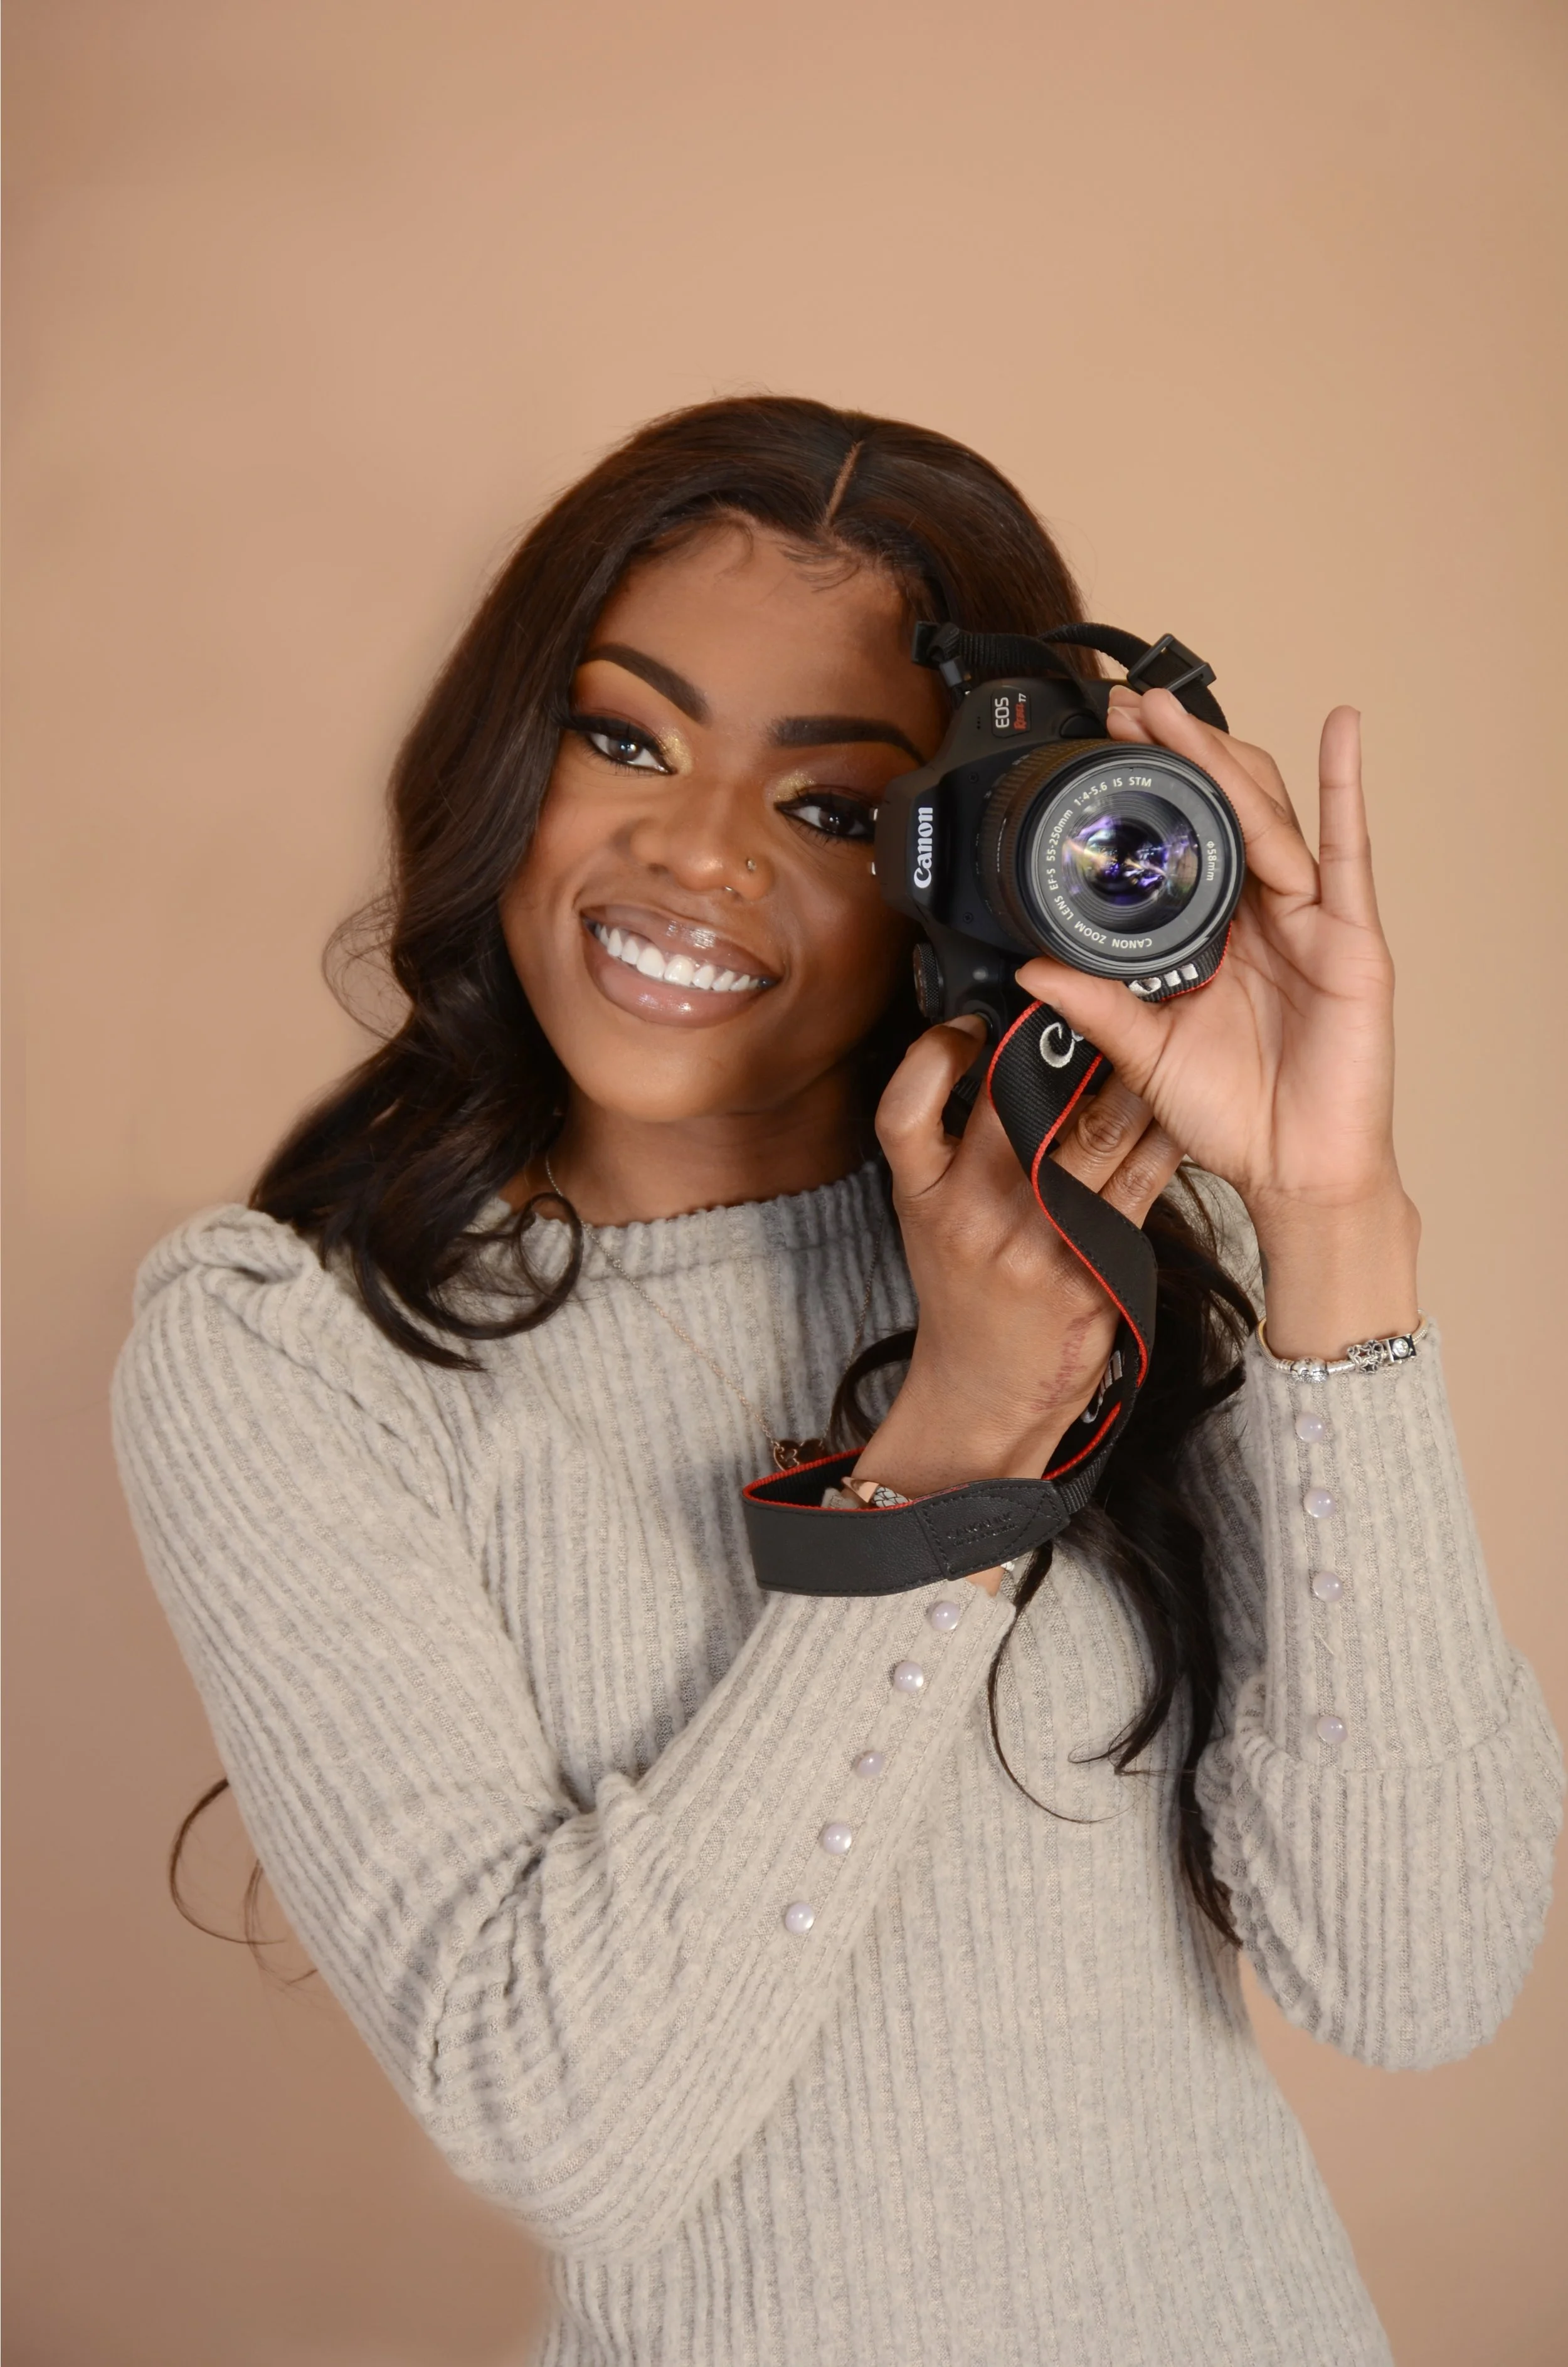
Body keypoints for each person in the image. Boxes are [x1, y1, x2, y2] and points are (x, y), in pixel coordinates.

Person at [114, 396, 1561, 2367]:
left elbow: (1409, 1969)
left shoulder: (1092, 1254)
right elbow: (573, 2120)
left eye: (828, 808)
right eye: (621, 736)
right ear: (499, 760)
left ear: (975, 857)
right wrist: (946, 1463)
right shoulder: (294, 1345)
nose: (693, 856)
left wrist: (1328, 1217)